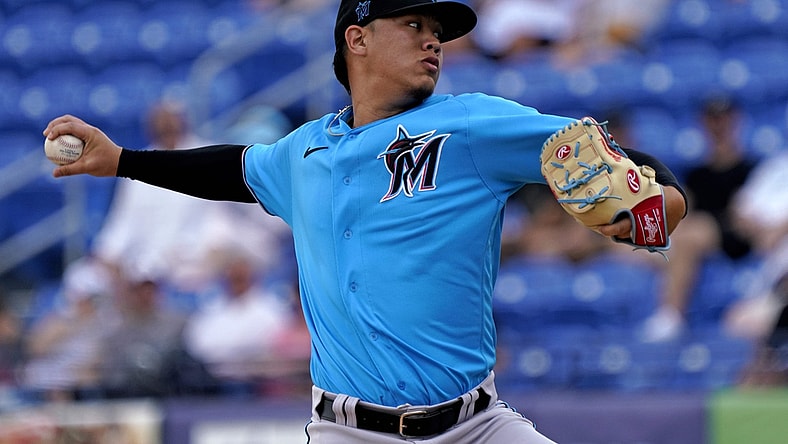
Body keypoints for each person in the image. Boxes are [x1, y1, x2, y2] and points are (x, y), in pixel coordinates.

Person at [43, 1, 687, 442]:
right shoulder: (303, 153)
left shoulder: (469, 124)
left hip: (475, 427)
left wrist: (662, 197)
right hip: (345, 431)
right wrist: (122, 160)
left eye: (437, 28)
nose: (433, 38)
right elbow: (230, 169)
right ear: (358, 38)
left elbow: (588, 147)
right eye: (413, 23)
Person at [637, 96, 758, 342]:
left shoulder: (750, 168)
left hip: (733, 237)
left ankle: (670, 314)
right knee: (636, 239)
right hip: (695, 236)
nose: (718, 125)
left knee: (691, 233)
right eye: (712, 119)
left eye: (723, 118)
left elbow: (749, 216)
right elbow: (682, 209)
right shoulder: (697, 174)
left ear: (735, 122)